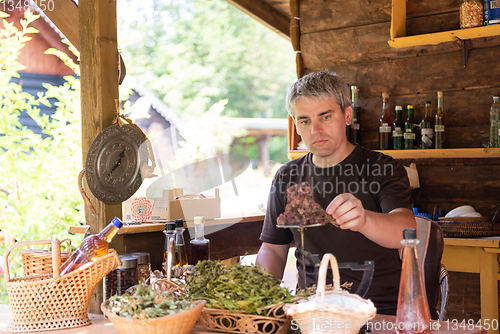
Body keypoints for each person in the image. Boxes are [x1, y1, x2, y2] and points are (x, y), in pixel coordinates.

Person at [255, 70, 415, 315]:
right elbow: (273, 249)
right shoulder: (286, 177)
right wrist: (258, 294)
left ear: (347, 115)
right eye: (304, 121)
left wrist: (365, 220)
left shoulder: (382, 168)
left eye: (325, 117)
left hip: (380, 312)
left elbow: (404, 232)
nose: (315, 130)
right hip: (312, 313)